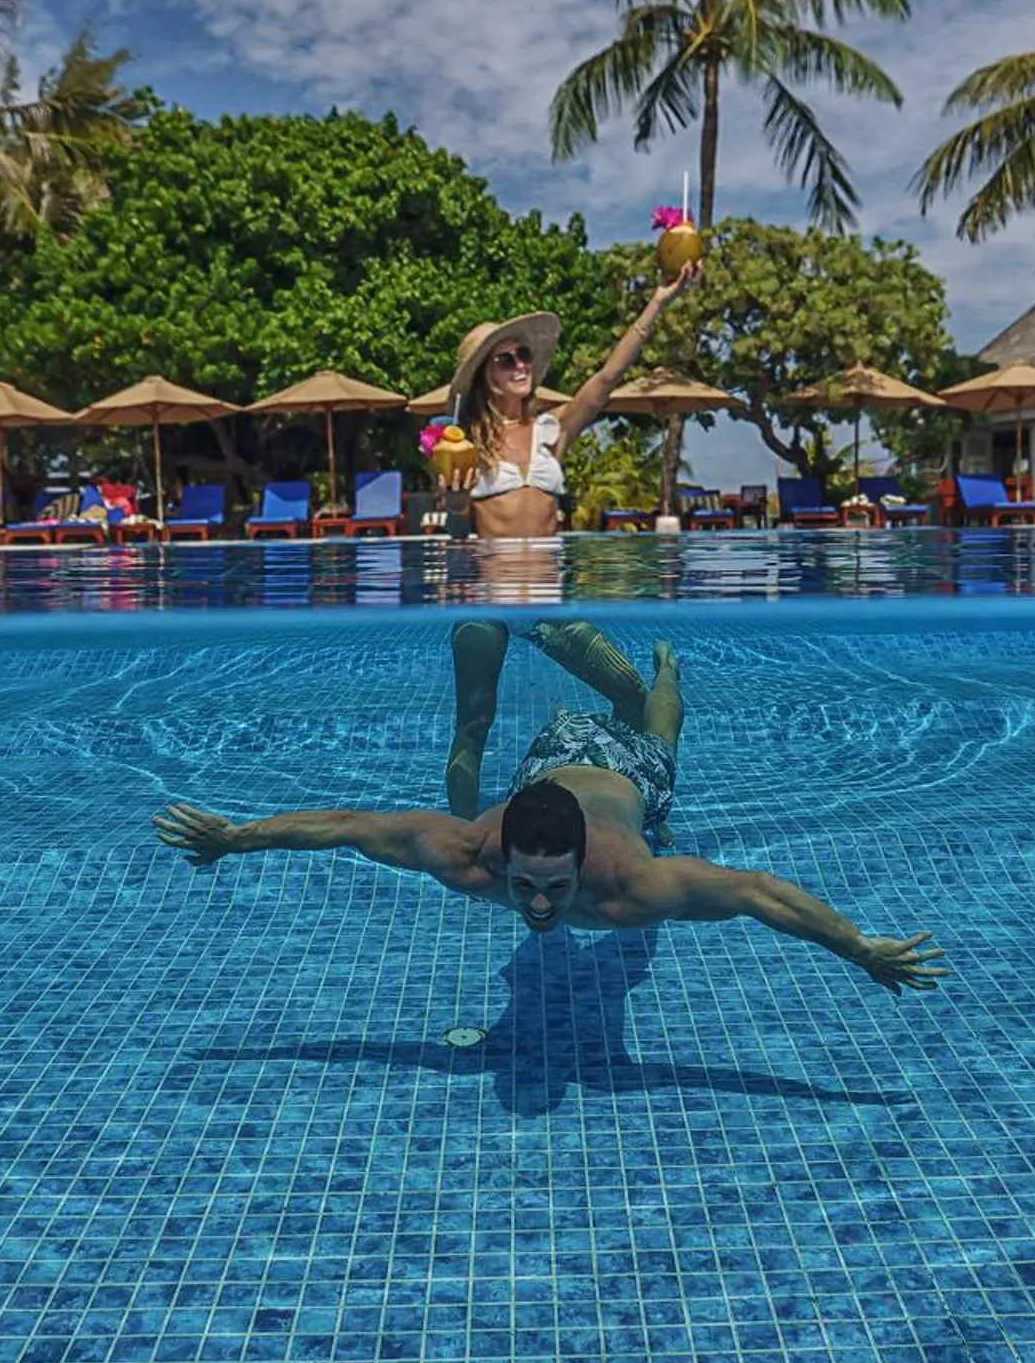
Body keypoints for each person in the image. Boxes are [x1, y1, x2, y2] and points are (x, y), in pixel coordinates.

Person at [154, 619, 949, 997]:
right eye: (527, 887)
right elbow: (347, 828)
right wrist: (234, 839)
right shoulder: (471, 855)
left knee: (656, 723)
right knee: (596, 721)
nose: (536, 907)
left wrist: (862, 947)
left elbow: (758, 893)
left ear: (583, 868)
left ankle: (666, 663)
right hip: (552, 757)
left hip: (629, 781)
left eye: (554, 891)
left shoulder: (634, 883)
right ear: (503, 853)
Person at [442, 262, 702, 540]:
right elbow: (457, 534)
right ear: (485, 377)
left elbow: (607, 378)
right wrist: (456, 506)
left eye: (523, 355)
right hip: (496, 580)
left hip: (549, 581)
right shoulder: (468, 443)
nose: (520, 365)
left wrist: (658, 302)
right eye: (505, 360)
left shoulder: (551, 429)